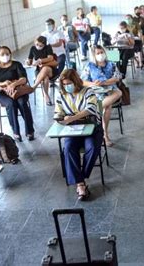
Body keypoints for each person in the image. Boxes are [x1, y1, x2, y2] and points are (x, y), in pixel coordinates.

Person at [54, 69, 103, 200]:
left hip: (91, 128)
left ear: (76, 82)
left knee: (92, 147)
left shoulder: (88, 91)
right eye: (64, 84)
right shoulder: (60, 95)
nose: (67, 86)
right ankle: (81, 184)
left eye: (69, 83)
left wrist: (71, 118)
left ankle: (80, 176)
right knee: (68, 148)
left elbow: (91, 109)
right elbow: (58, 112)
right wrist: (60, 119)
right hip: (73, 129)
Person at [0, 46, 35, 141]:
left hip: (19, 91)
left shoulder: (16, 64)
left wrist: (14, 84)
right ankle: (16, 131)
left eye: (7, 54)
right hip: (3, 93)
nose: (5, 56)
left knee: (22, 103)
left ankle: (30, 131)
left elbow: (24, 79)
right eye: (2, 54)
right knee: (10, 104)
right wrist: (3, 84)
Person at [82, 46, 122, 147]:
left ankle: (95, 110)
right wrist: (94, 84)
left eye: (101, 52)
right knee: (108, 107)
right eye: (98, 53)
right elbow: (83, 81)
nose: (100, 55)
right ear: (94, 55)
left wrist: (104, 82)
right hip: (97, 92)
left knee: (118, 93)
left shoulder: (111, 64)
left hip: (110, 89)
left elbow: (117, 77)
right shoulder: (90, 66)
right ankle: (105, 134)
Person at [27, 36, 57, 106]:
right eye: (37, 44)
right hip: (39, 70)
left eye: (41, 45)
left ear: (44, 45)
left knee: (45, 68)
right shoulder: (33, 48)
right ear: (35, 42)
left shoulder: (48, 47)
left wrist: (40, 60)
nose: (38, 46)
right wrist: (28, 62)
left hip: (50, 69)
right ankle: (46, 96)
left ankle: (34, 87)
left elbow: (51, 58)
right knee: (45, 78)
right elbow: (30, 60)